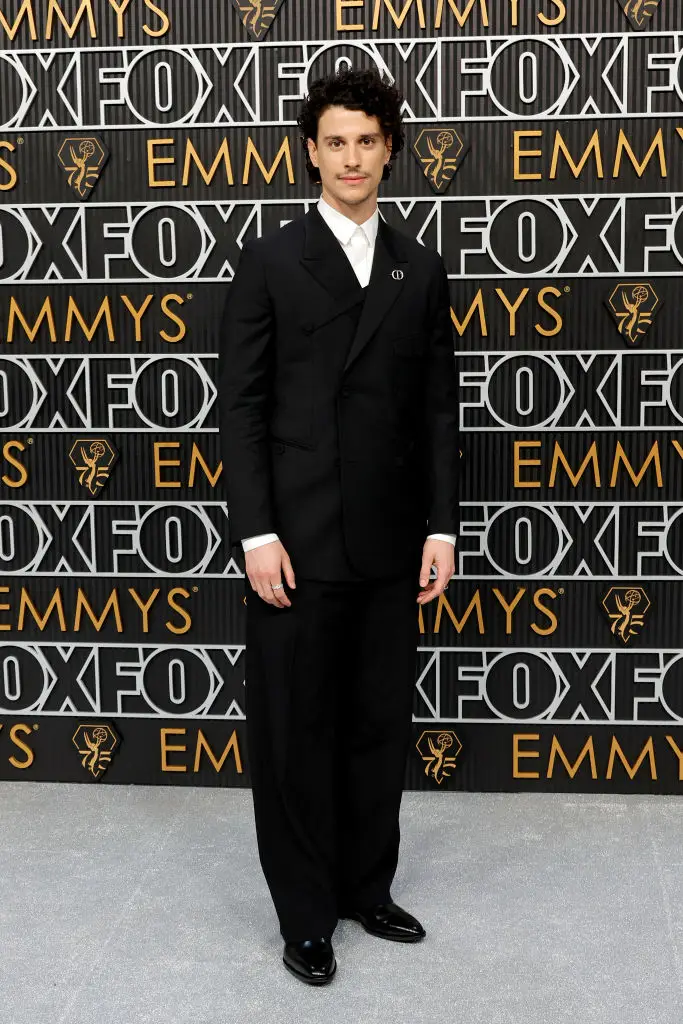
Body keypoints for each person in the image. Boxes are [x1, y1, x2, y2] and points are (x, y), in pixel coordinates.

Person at [218, 66, 460, 985]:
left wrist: (441, 528)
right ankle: (306, 914)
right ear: (310, 152)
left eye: (367, 140)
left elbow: (437, 409)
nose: (351, 157)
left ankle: (366, 886)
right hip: (296, 544)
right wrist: (256, 533)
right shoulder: (272, 259)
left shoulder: (420, 265)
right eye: (334, 141)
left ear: (389, 148)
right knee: (295, 734)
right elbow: (239, 408)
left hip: (393, 544)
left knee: (374, 725)